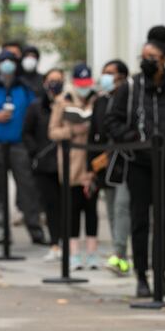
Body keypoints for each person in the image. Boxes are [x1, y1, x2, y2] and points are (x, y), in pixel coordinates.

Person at [104, 26, 165, 297]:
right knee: (139, 220)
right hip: (138, 165)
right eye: (143, 55)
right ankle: (141, 276)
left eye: (152, 56)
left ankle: (161, 275)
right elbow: (113, 121)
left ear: (164, 59)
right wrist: (134, 140)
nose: (146, 60)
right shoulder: (130, 88)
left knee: (163, 222)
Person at [0, 50, 46, 245]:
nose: (7, 65)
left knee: (27, 188)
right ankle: (3, 230)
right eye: (3, 61)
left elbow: (35, 113)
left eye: (11, 62)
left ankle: (35, 229)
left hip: (19, 146)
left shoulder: (24, 88)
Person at [48, 63, 100, 270]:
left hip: (92, 163)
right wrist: (73, 131)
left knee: (91, 210)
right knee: (72, 210)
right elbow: (52, 132)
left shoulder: (98, 99)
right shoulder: (63, 101)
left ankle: (93, 254)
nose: (84, 87)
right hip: (71, 163)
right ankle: (74, 255)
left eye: (87, 83)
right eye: (80, 83)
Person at [90, 59, 132, 276]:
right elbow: (94, 134)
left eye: (111, 73)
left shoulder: (130, 97)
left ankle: (121, 255)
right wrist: (93, 165)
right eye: (103, 72)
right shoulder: (100, 101)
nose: (106, 77)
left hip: (125, 161)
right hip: (105, 163)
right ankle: (120, 255)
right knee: (112, 209)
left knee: (122, 207)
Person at [23, 68, 65, 261]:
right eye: (51, 80)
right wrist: (35, 153)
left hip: (66, 164)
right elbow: (27, 132)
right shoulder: (36, 106)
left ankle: (67, 242)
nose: (55, 84)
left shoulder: (68, 104)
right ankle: (55, 243)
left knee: (67, 206)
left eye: (59, 80)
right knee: (51, 206)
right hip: (44, 165)